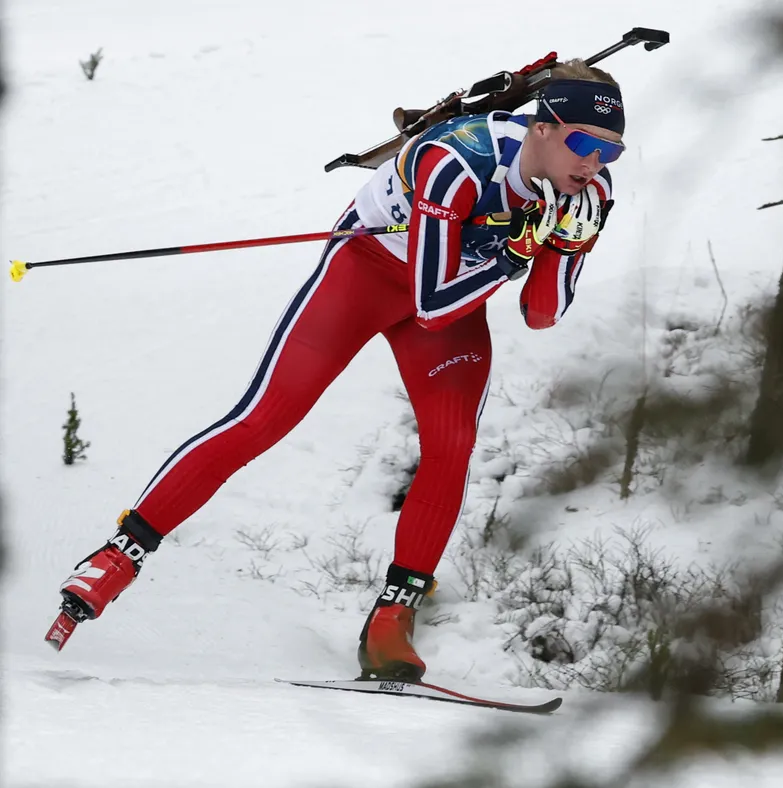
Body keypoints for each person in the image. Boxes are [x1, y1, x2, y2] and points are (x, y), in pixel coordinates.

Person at [46, 59, 625, 683]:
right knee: (265, 418)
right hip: (371, 273)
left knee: (452, 447)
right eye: (584, 143)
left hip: (454, 298)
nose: (594, 163)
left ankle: (391, 619)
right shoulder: (456, 161)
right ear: (541, 127)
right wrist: (516, 250)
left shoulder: (589, 194)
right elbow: (430, 303)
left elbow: (541, 314)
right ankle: (119, 554)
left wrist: (563, 245)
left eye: (610, 151)